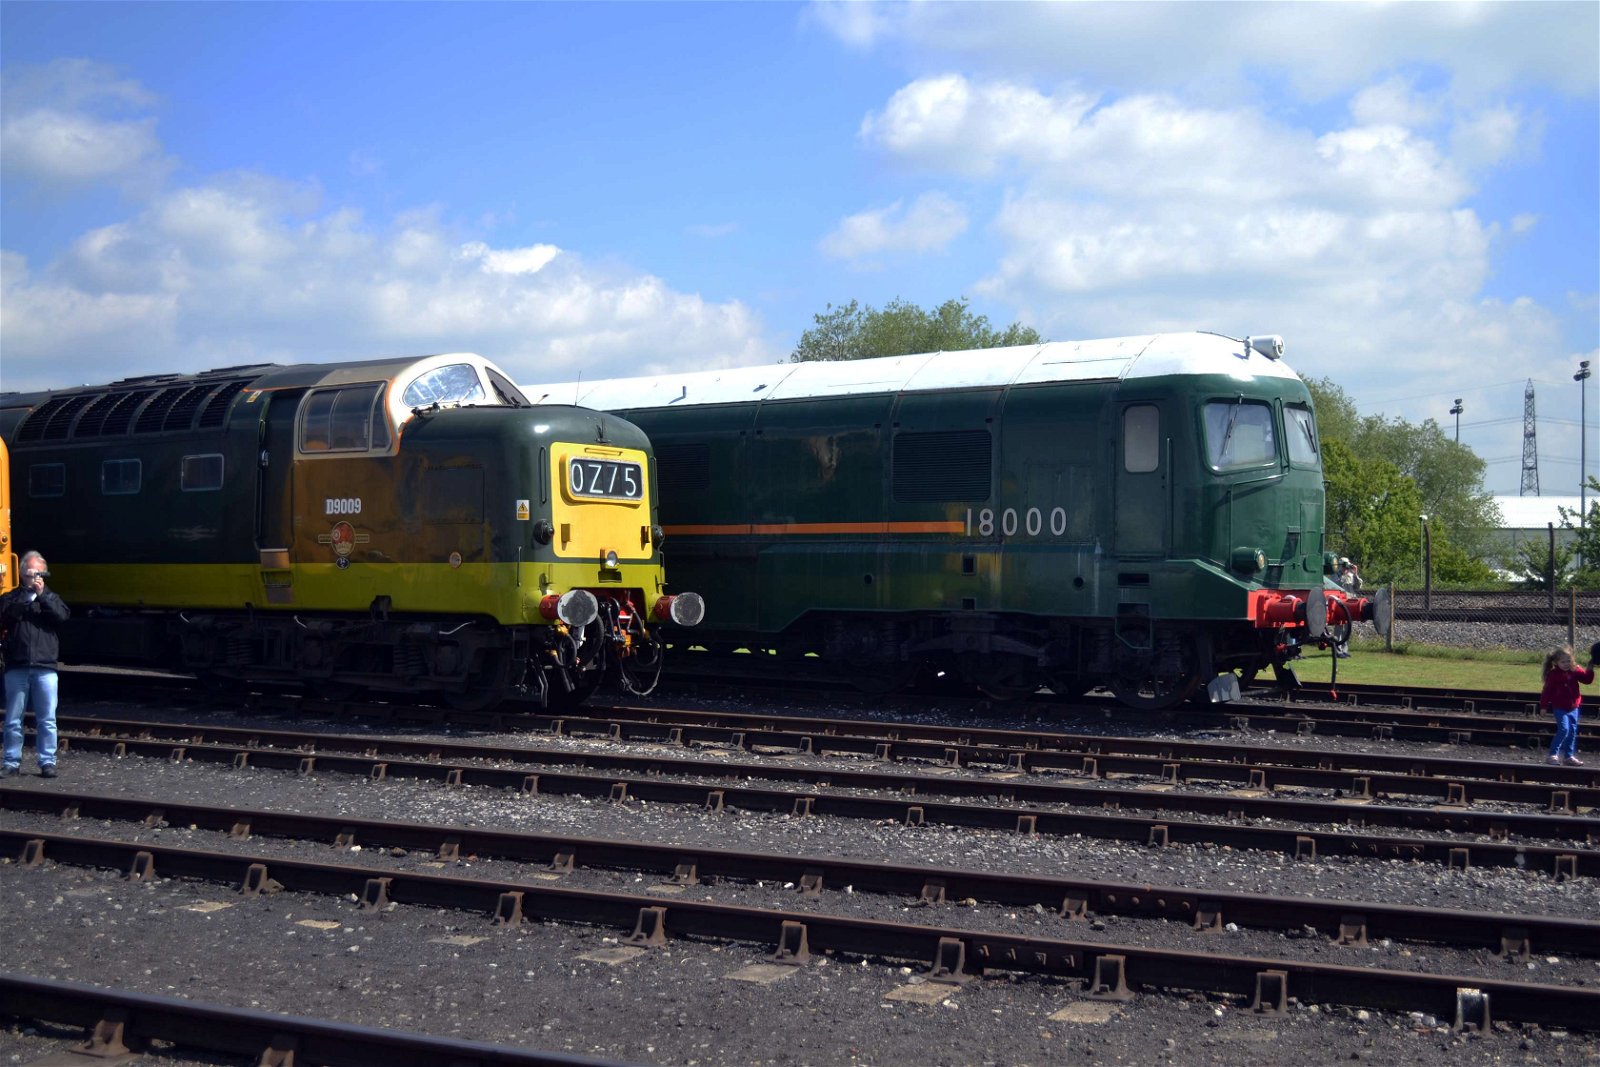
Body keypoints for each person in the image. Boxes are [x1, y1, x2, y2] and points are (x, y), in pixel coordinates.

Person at [1, 552, 70, 778]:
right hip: (17, 665)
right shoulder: (11, 598)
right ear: (22, 574)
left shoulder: (51, 598)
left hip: (45, 667)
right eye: (32, 574)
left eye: (40, 574)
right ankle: (11, 761)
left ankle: (47, 761)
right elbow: (5, 616)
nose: (36, 579)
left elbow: (62, 617)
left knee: (47, 719)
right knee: (13, 719)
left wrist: (43, 597)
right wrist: (26, 599)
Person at [1538, 644, 1590, 767]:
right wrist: (1543, 706)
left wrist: (1590, 669)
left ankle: (1568, 756)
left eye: (1568, 661)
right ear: (1556, 662)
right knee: (1564, 729)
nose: (1566, 664)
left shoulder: (1575, 670)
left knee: (1572, 731)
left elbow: (1587, 680)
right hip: (1560, 707)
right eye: (1563, 662)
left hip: (1573, 707)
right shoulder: (1553, 674)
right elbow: (1547, 691)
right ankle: (1552, 755)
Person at [1332, 557, 1362, 659]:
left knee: (1347, 628)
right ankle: (1337, 650)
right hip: (1340, 604)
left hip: (1350, 603)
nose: (1346, 568)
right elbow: (1335, 586)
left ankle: (1345, 650)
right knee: (1339, 628)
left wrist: (1355, 573)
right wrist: (1343, 575)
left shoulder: (1351, 575)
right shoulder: (1335, 576)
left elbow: (1358, 586)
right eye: (1344, 565)